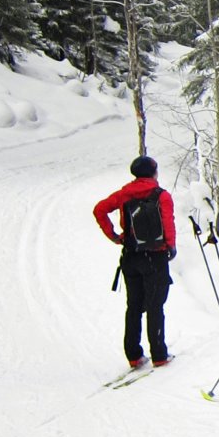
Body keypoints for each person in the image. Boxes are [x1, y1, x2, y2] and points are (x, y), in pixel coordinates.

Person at [93, 155, 178, 368]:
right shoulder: (162, 196)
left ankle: (133, 355)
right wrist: (170, 246)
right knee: (155, 306)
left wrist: (114, 236)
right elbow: (168, 223)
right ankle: (159, 354)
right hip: (155, 256)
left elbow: (99, 209)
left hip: (131, 255)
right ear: (152, 172)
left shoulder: (124, 194)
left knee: (133, 306)